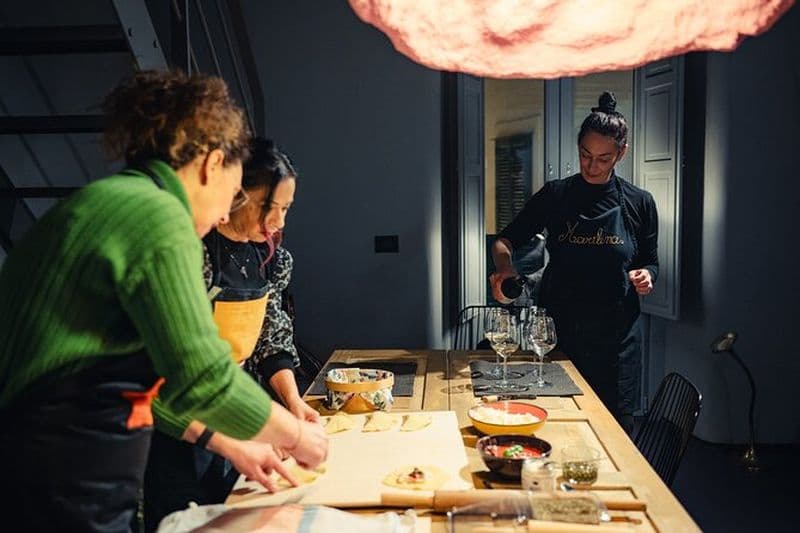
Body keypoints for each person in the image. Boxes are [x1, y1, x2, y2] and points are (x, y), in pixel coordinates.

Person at [0, 70, 327, 532]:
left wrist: (231, 443)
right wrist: (298, 437)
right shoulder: (157, 215)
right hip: (63, 471)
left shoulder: (109, 201)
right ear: (213, 163)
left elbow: (163, 384)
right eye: (233, 194)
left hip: (47, 463)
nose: (221, 215)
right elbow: (203, 379)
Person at [142, 138, 319, 530]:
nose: (279, 222)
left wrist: (292, 402)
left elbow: (273, 335)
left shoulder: (270, 258)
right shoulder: (193, 250)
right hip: (181, 418)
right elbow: (176, 367)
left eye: (287, 209)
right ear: (236, 192)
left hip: (237, 403)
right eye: (271, 207)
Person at [490, 91, 658, 434]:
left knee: (615, 434)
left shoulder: (640, 203)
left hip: (617, 344)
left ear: (621, 154)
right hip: (559, 336)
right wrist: (506, 268)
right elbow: (505, 241)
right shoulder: (556, 195)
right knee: (557, 428)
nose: (592, 166)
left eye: (603, 158)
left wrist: (647, 276)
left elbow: (650, 261)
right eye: (585, 155)